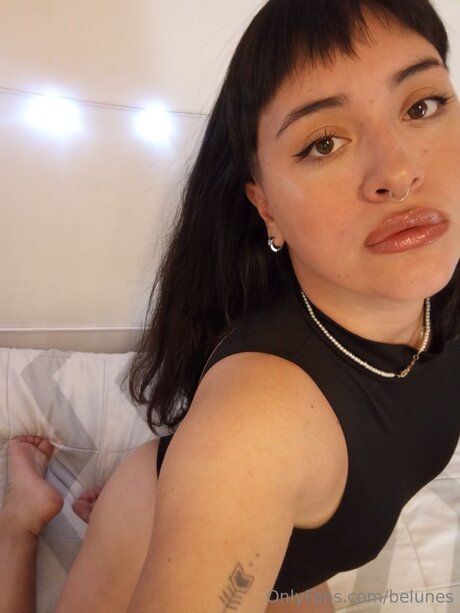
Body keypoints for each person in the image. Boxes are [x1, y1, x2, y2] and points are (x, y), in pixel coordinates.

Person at [1, 0, 460, 611]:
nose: (398, 172)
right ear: (266, 206)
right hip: (145, 520)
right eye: (324, 142)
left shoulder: (441, 269)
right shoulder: (253, 429)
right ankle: (21, 521)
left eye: (421, 106)